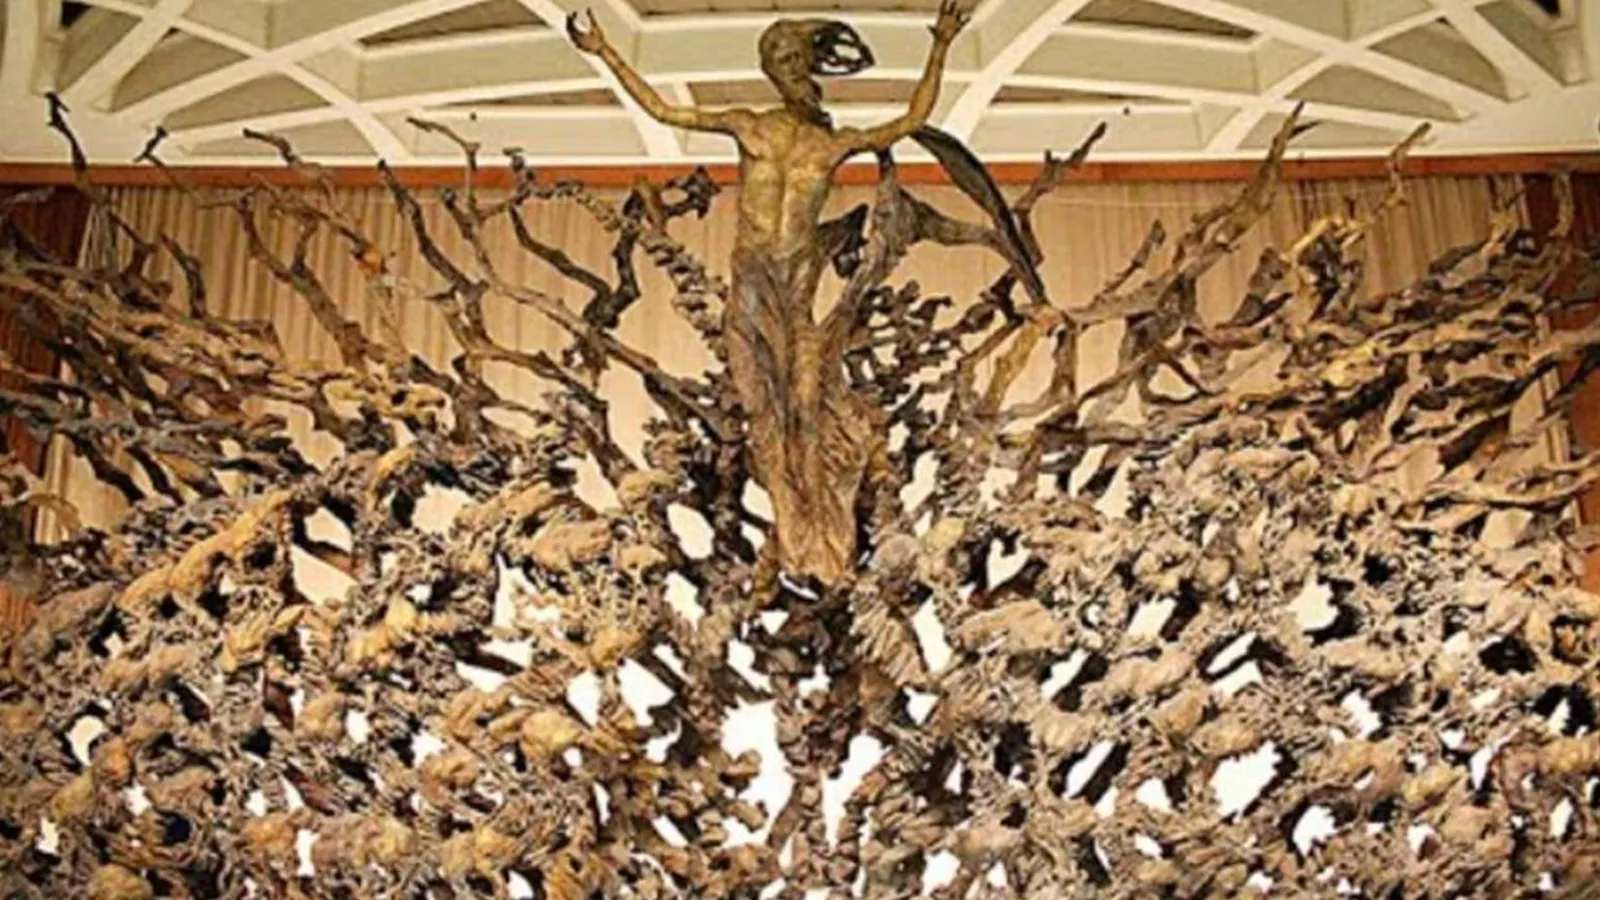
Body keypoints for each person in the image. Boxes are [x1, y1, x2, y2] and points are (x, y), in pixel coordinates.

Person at [568, 4, 970, 585]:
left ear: (808, 62)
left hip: (797, 286)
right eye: (775, 58)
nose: (785, 65)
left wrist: (942, 46)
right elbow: (662, 110)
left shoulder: (833, 142)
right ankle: (795, 533)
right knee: (764, 407)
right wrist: (606, 52)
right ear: (768, 69)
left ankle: (824, 539)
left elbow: (910, 119)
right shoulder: (748, 125)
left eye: (791, 55)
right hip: (754, 281)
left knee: (807, 400)